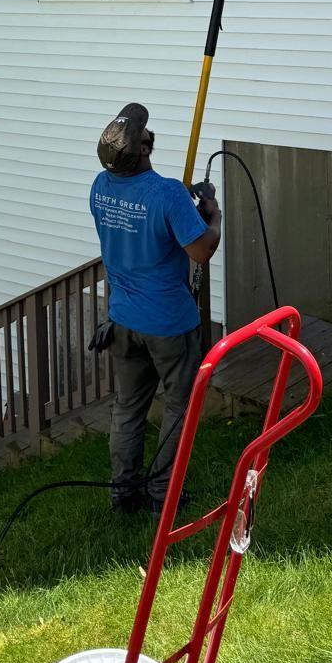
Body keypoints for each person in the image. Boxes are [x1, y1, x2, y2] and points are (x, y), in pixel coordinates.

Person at [90, 102, 221, 516]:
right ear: (143, 149)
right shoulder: (165, 193)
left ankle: (123, 494)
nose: (149, 133)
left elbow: (147, 223)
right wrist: (212, 217)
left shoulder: (100, 185)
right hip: (169, 324)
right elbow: (200, 251)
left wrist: (182, 210)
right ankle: (165, 494)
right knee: (180, 405)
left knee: (128, 408)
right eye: (146, 132)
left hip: (123, 319)